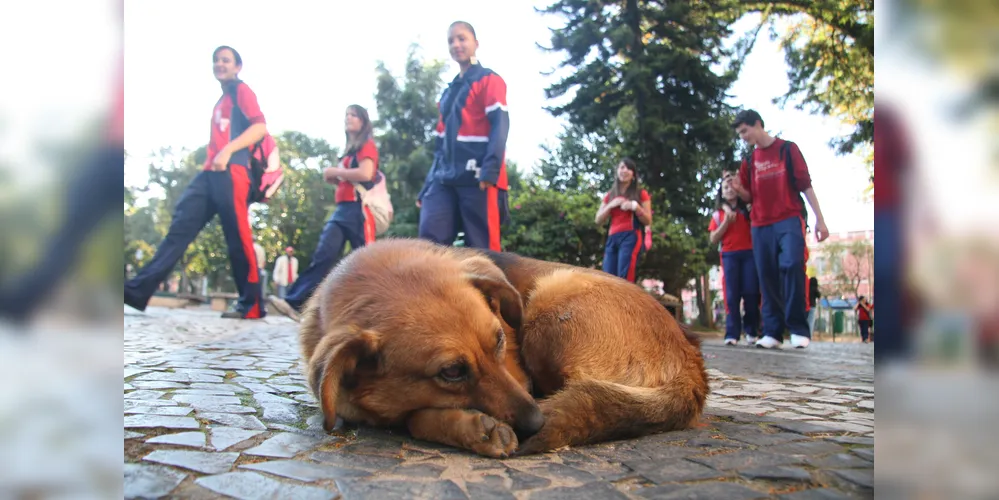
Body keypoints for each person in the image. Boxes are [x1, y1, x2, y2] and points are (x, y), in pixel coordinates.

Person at [124, 45, 268, 319]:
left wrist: (228, 151)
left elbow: (260, 127)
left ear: (238, 66)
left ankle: (252, 304)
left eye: (225, 60)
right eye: (216, 60)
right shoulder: (221, 100)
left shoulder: (241, 90)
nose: (219, 64)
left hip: (233, 171)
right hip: (209, 174)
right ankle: (137, 290)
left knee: (237, 237)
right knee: (180, 226)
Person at [730, 109, 830, 349]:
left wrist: (820, 219)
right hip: (760, 224)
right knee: (767, 276)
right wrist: (738, 189)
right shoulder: (749, 162)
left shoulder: (787, 149)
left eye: (745, 131)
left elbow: (805, 185)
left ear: (758, 125)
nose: (743, 137)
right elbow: (749, 196)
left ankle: (797, 328)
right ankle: (773, 332)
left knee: (792, 265)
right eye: (740, 133)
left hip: (789, 218)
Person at [269, 105, 379, 321]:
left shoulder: (367, 146)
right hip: (342, 209)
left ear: (363, 121)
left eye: (353, 115)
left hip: (358, 210)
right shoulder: (349, 150)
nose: (348, 118)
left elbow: (366, 173)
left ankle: (377, 312)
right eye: (346, 115)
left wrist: (337, 172)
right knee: (324, 255)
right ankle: (295, 301)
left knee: (368, 263)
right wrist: (337, 177)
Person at [416, 21, 511, 251]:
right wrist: (428, 184)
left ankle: (490, 288)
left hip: (478, 175)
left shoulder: (489, 80)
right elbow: (440, 145)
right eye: (451, 40)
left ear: (475, 43)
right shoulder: (448, 93)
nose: (456, 44)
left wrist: (490, 169)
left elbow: (500, 124)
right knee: (430, 243)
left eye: (462, 38)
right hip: (444, 177)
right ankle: (434, 288)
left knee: (482, 249)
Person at [709, 170, 760, 346]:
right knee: (731, 295)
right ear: (721, 193)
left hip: (750, 254)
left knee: (751, 293)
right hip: (729, 255)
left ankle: (752, 331)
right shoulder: (717, 214)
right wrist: (726, 222)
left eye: (731, 186)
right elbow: (713, 238)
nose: (729, 190)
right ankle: (732, 333)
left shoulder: (747, 208)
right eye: (725, 187)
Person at [594, 158, 653, 283]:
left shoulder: (641, 193)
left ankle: (626, 302)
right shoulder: (610, 195)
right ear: (617, 171)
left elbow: (648, 220)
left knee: (624, 277)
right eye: (621, 167)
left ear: (633, 174)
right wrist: (610, 205)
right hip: (612, 237)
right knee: (607, 277)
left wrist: (635, 207)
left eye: (628, 168)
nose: (624, 170)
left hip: (630, 236)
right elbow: (598, 220)